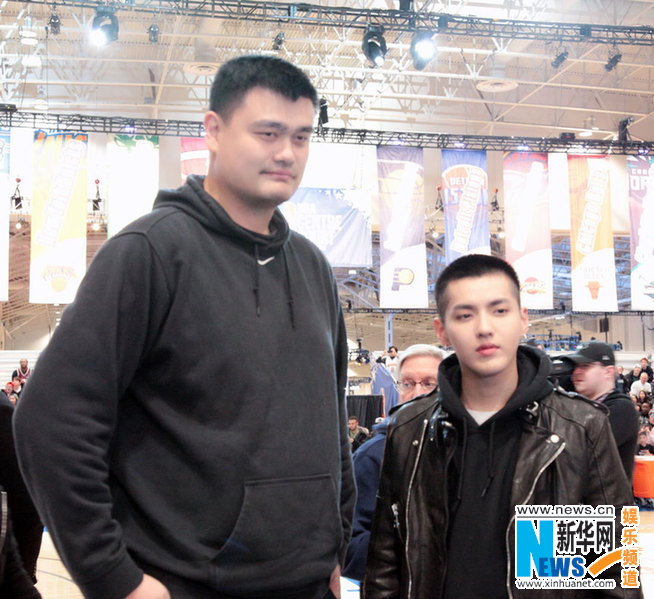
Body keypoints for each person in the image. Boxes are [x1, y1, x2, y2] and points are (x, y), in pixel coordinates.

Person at [14, 55, 354, 599]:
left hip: (310, 583)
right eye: (268, 133)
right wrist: (113, 577)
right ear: (214, 131)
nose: (287, 153)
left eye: (301, 137)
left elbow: (332, 427)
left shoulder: (313, 267)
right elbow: (50, 422)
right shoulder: (148, 253)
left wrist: (333, 551)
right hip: (184, 584)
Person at [363, 254, 637, 598]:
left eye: (499, 310)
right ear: (442, 330)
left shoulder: (579, 427)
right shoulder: (409, 428)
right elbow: (385, 563)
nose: (484, 327)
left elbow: (615, 570)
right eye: (465, 315)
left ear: (523, 319)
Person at [343, 344, 444, 582]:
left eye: (429, 384)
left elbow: (531, 555)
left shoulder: (476, 450)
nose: (418, 393)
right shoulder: (373, 457)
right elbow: (348, 547)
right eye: (407, 384)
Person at [566, 341, 640, 481]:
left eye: (585, 366)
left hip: (609, 494)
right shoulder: (582, 406)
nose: (577, 372)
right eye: (575, 366)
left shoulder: (622, 409)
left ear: (608, 372)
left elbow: (580, 451)